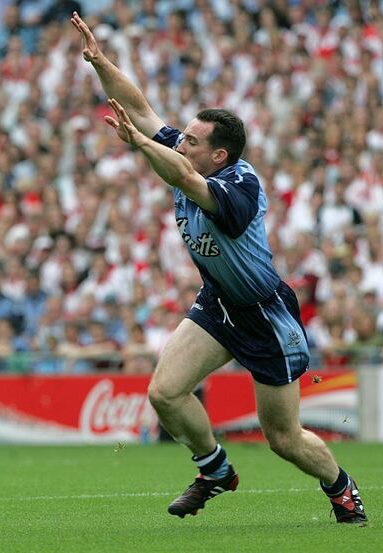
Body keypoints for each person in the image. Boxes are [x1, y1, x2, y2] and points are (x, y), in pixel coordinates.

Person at [71, 13, 367, 524]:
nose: (179, 142)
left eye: (190, 139)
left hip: (264, 315)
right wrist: (101, 62)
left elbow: (183, 175)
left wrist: (143, 146)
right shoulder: (194, 156)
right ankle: (214, 469)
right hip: (219, 303)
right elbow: (141, 110)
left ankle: (341, 487)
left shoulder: (238, 187)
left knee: (283, 439)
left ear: (218, 153)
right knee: (164, 392)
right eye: (181, 136)